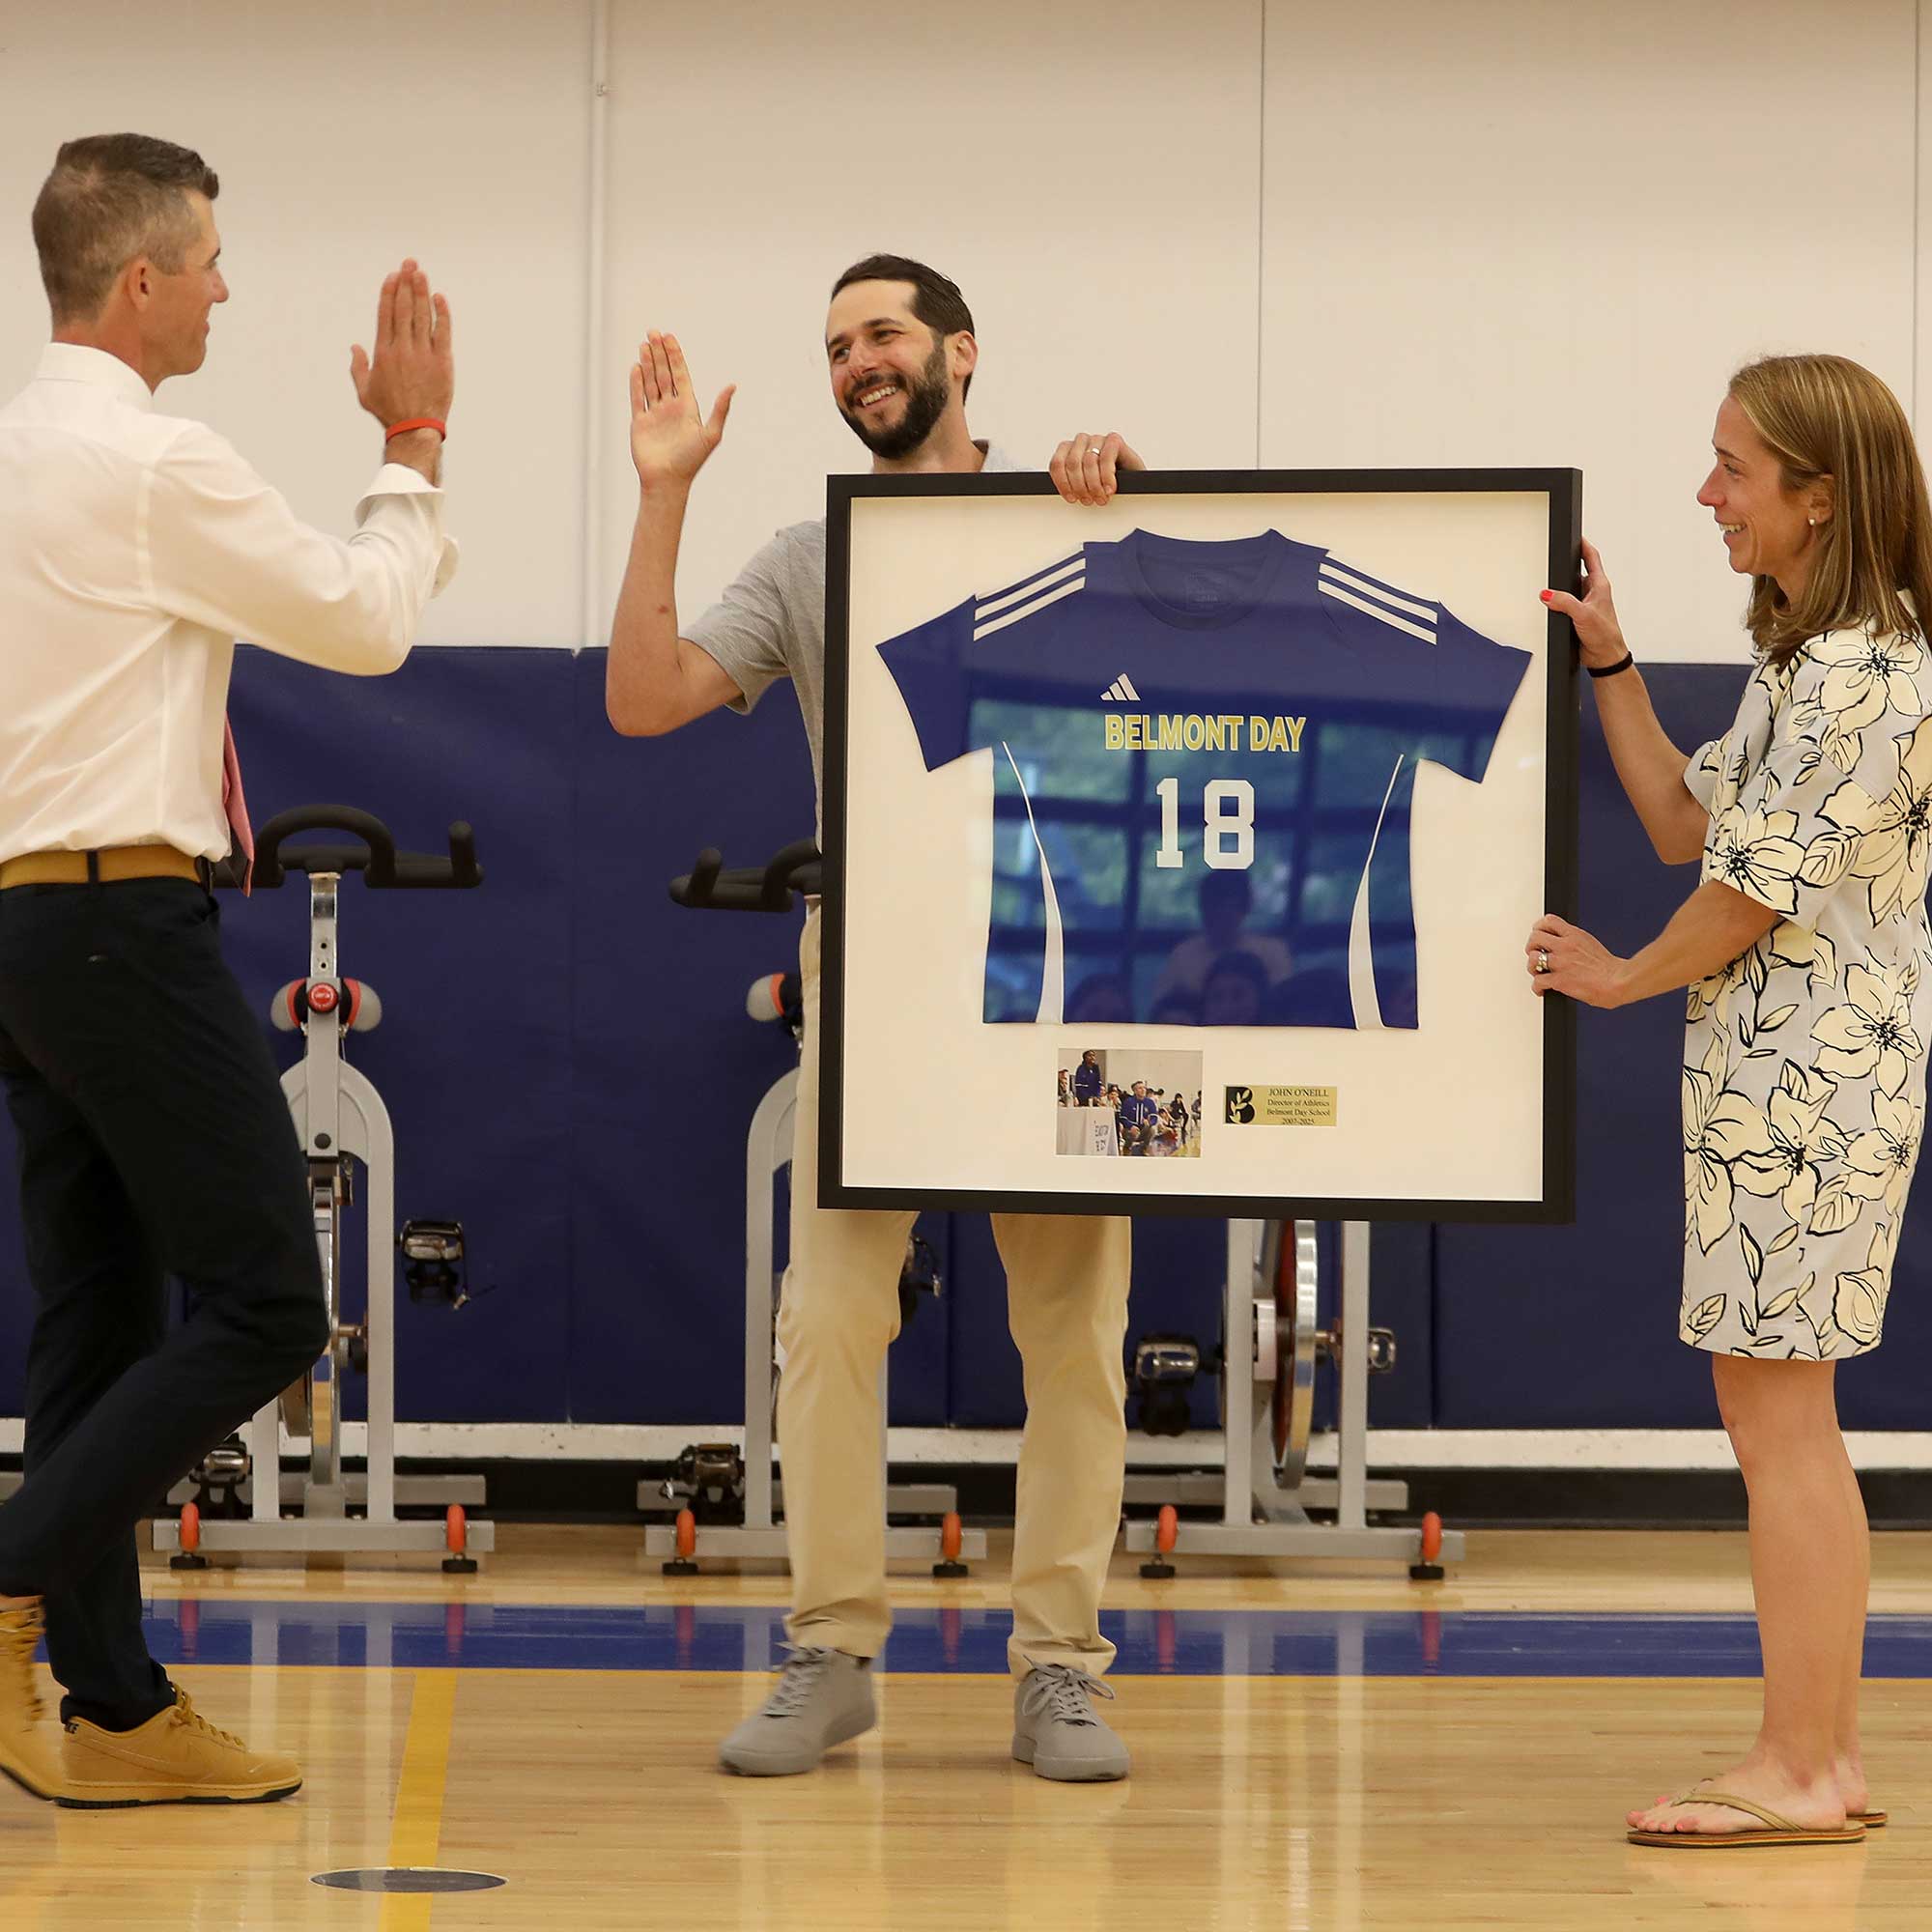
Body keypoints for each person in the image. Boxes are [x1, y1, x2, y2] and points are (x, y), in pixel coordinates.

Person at [606, 254, 1144, 1782]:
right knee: (829, 1317)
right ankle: (832, 1653)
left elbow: (1210, 615)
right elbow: (643, 701)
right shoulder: (807, 556)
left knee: (1075, 1334)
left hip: (1069, 960)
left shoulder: (1072, 513)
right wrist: (662, 491)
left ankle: (1060, 1672)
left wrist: (1126, 486)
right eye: (836, 345)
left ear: (963, 351)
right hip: (882, 959)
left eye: (886, 332)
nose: (859, 361)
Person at [0, 133, 456, 1807]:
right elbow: (363, 617)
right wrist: (413, 444)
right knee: (273, 1300)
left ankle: (110, 1712)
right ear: (141, 285)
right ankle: (18, 1568)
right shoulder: (148, 463)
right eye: (206, 263)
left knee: (100, 1325)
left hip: (30, 930)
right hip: (123, 919)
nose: (224, 288)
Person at [1532, 354, 1930, 1850]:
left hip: (1813, 1092)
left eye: (1733, 471)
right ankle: (1815, 1752)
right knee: (1780, 1418)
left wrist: (1624, 978)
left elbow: (1745, 892)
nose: (1708, 496)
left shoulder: (1863, 676)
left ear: (1819, 498)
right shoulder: (1809, 664)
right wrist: (1613, 661)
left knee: (1783, 1424)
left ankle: (1805, 1764)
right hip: (1782, 1089)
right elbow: (1685, 825)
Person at [1117, 1081, 1157, 1155]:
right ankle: (1127, 1148)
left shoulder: (1150, 1102)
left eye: (1144, 1088)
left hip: (1143, 1129)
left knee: (1152, 1130)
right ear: (1135, 1091)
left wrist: (1150, 1122)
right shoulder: (1128, 1102)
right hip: (1130, 1129)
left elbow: (1154, 1117)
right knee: (1131, 1133)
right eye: (1140, 1088)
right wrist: (1131, 1126)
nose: (1143, 1090)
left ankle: (1144, 1148)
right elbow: (1122, 1118)